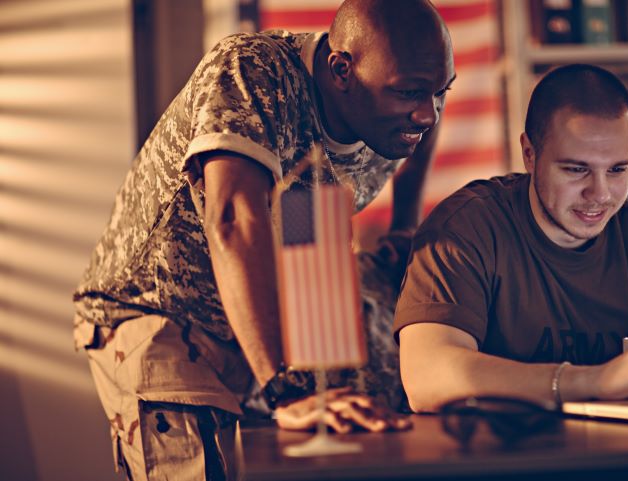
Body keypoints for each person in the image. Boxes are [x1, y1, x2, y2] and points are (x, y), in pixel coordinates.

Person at [72, 0, 455, 479]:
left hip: (277, 282)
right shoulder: (253, 70)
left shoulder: (400, 116)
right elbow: (233, 217)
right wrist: (287, 388)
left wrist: (403, 225)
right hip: (161, 309)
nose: (428, 115)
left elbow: (309, 229)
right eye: (411, 93)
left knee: (362, 440)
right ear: (341, 70)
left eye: (440, 93)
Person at [394, 64, 628, 414]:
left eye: (617, 169)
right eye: (576, 169)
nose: (600, 194)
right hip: (500, 462)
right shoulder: (466, 228)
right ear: (530, 155)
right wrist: (593, 381)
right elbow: (426, 378)